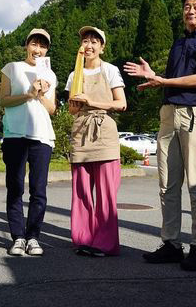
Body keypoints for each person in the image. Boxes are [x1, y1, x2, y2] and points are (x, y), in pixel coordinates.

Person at [124, 0, 196, 272]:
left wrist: (162, 80)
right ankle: (171, 244)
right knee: (167, 184)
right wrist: (154, 77)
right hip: (169, 114)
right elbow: (169, 81)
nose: (190, 11)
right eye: (186, 6)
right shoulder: (178, 44)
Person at [65, 26, 126, 257]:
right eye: (85, 41)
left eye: (94, 41)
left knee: (106, 192)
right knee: (81, 190)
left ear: (102, 47)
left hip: (104, 132)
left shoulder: (109, 70)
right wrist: (76, 104)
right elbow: (71, 110)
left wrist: (92, 101)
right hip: (81, 132)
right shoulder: (74, 74)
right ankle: (83, 238)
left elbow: (121, 103)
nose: (88, 45)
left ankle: (105, 243)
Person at [0, 28, 57, 256]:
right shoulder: (12, 68)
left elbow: (51, 109)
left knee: (38, 190)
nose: (38, 50)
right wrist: (29, 94)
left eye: (43, 46)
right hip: (15, 135)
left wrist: (41, 94)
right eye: (34, 44)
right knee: (14, 188)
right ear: (27, 45)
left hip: (42, 136)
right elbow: (3, 100)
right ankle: (18, 237)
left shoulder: (50, 75)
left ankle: (33, 237)